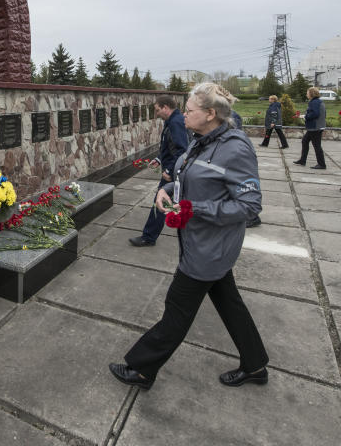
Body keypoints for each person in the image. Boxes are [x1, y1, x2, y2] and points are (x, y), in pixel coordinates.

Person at [110, 83, 269, 390]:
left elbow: (250, 205)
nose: (183, 115)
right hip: (201, 242)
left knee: (177, 310)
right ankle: (255, 364)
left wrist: (193, 207)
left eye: (190, 110)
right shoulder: (203, 141)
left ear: (211, 114)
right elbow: (188, 174)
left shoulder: (234, 148)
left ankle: (142, 369)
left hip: (210, 248)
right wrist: (168, 189)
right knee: (229, 303)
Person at [130, 95, 188, 247]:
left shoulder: (176, 122)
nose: (156, 114)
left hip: (172, 172)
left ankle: (148, 237)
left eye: (157, 110)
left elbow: (182, 149)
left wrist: (169, 170)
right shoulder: (172, 121)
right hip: (171, 168)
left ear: (165, 108)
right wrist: (159, 159)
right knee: (169, 202)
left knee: (160, 202)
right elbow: (169, 145)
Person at [293, 87, 326, 169]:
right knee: (305, 141)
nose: (306, 94)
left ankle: (321, 164)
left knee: (317, 146)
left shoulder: (314, 102)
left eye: (307, 93)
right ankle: (302, 160)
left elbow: (315, 114)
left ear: (311, 93)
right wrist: (305, 116)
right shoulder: (318, 101)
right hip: (318, 126)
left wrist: (305, 117)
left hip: (315, 127)